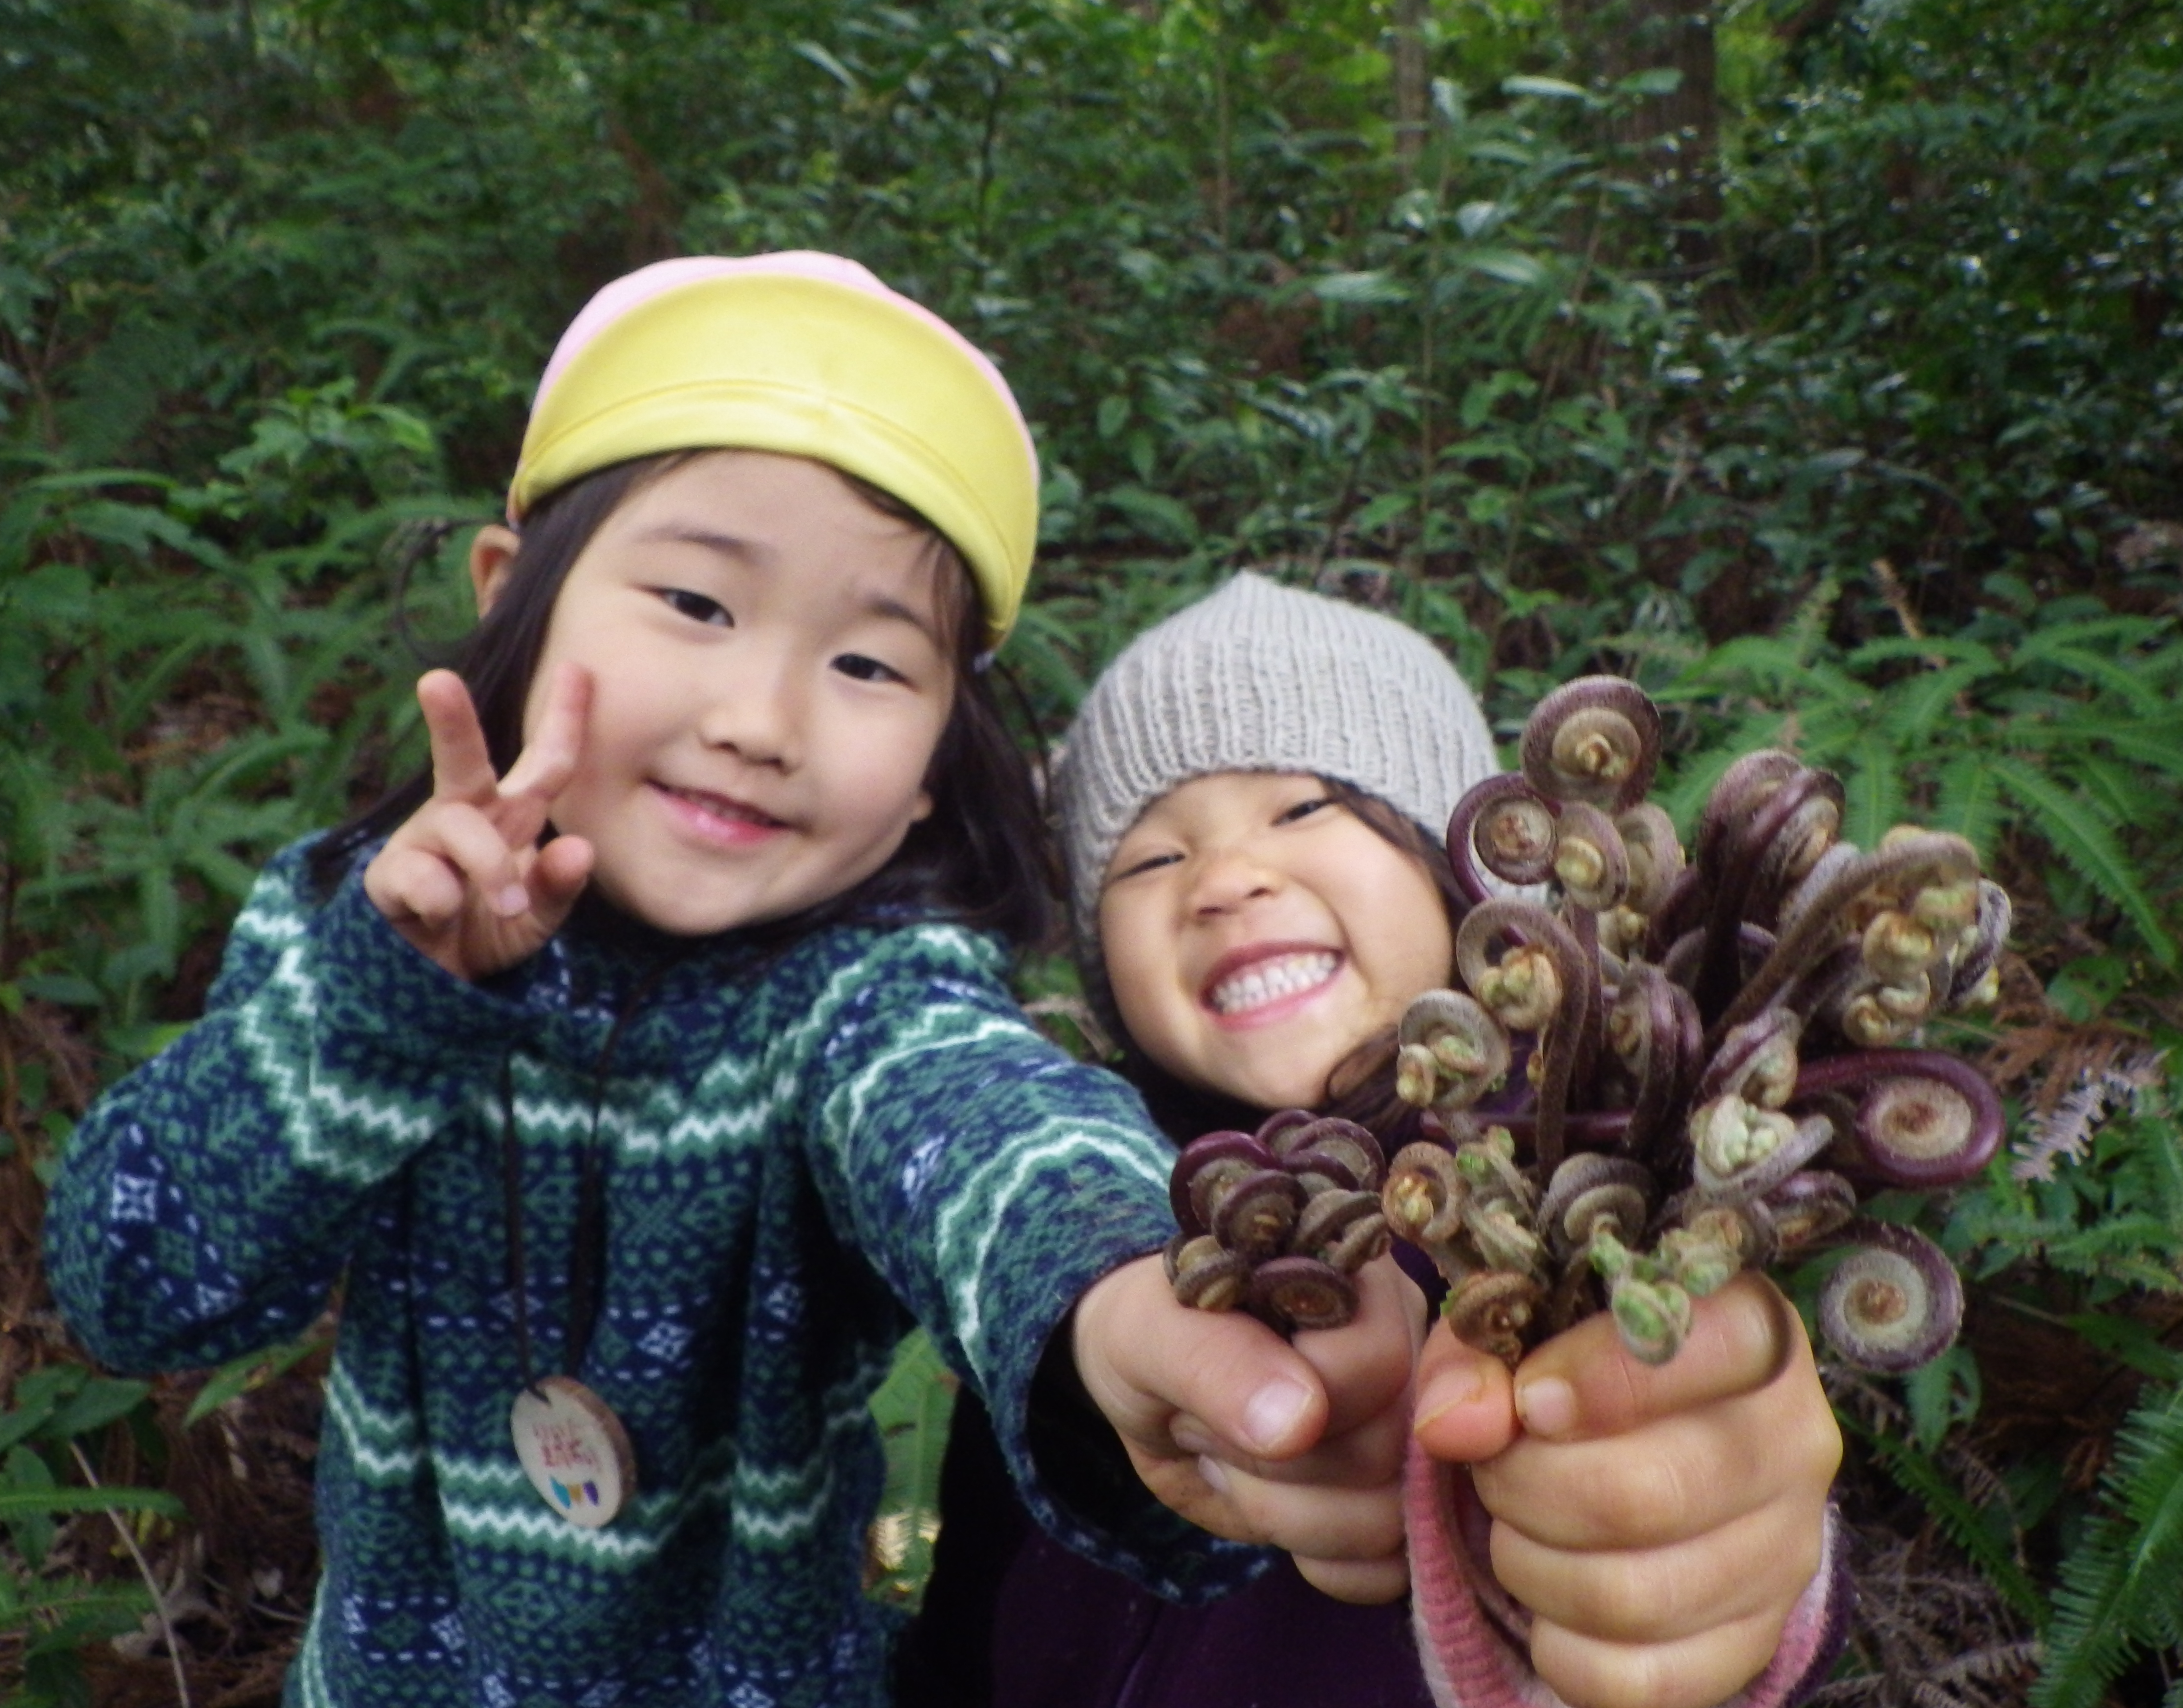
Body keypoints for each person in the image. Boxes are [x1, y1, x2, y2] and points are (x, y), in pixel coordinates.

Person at [43, 259, 1422, 1708]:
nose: (761, 719)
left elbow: (988, 1137)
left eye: (870, 664)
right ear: (516, 596)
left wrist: (1136, 1290)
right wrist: (381, 1008)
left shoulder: (865, 1000)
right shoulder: (358, 925)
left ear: (931, 775)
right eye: (698, 601)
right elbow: (130, 1286)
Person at [901, 572, 1848, 1708]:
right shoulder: (1068, 1226)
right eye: (1150, 859)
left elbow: (1702, 1467)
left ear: (1472, 868)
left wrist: (1732, 1585)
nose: (1225, 882)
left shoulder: (1573, 1186)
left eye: (1304, 809)